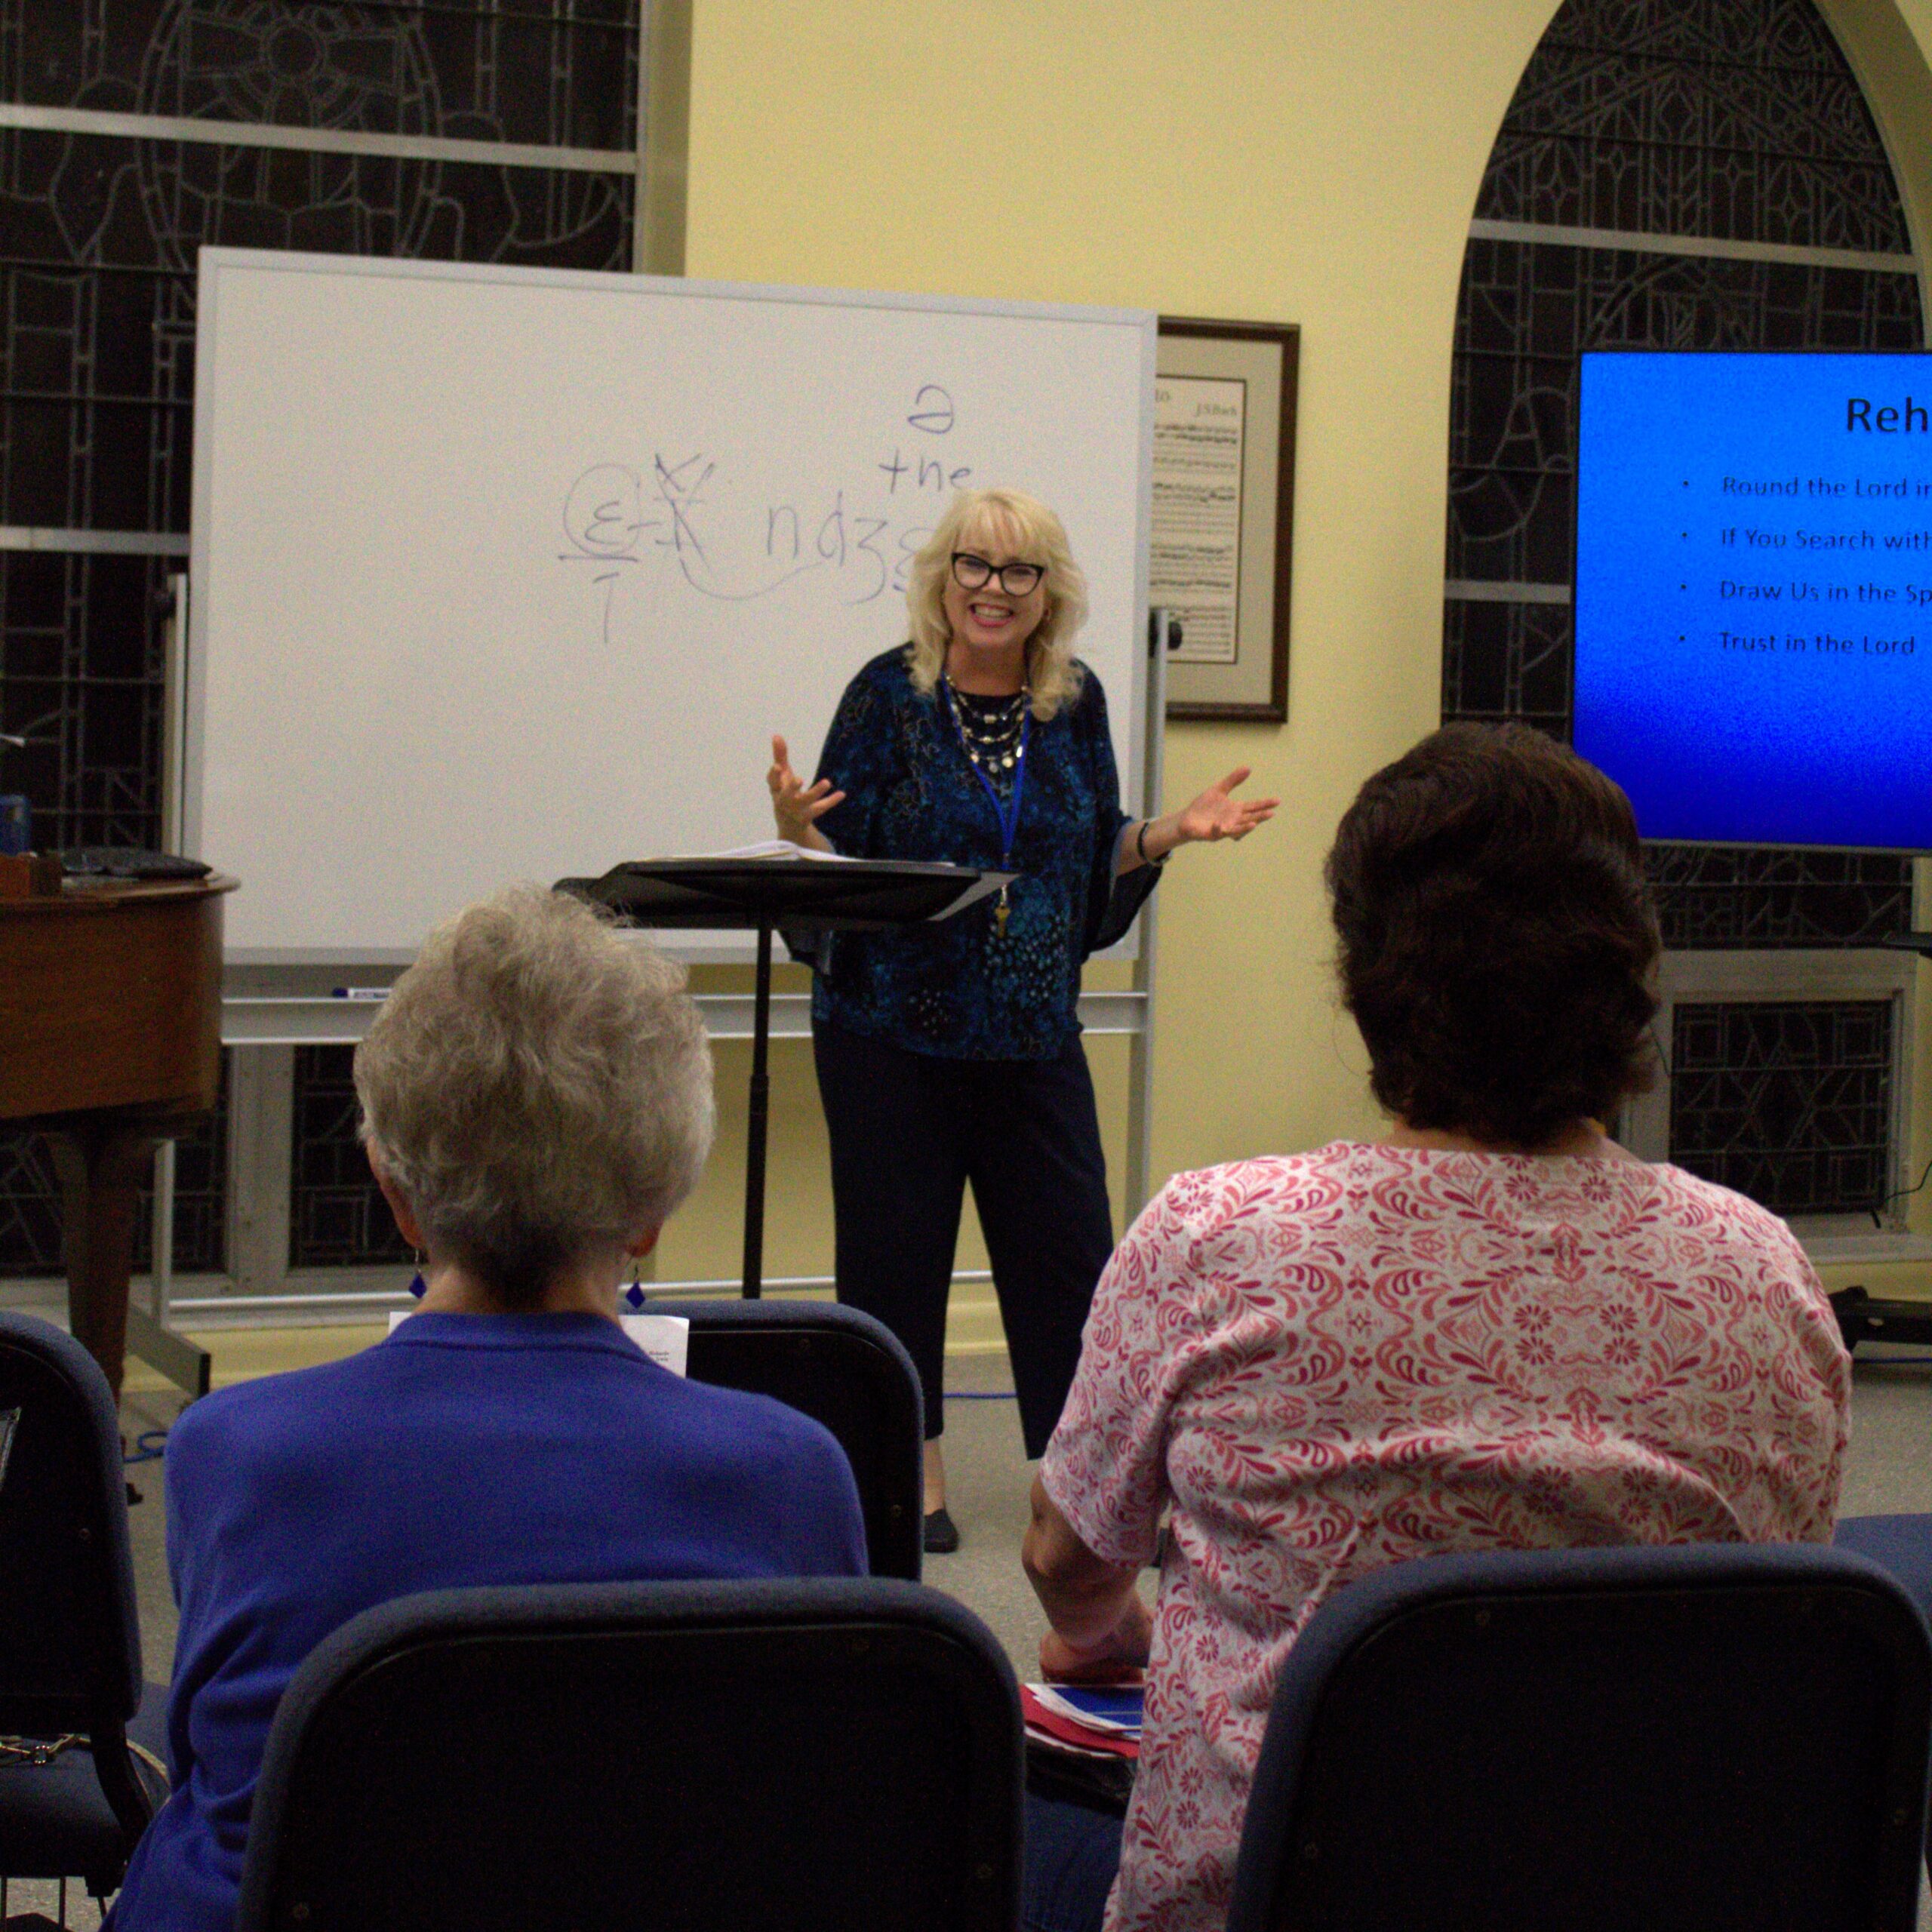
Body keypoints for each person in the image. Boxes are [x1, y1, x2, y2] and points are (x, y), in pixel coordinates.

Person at [1020, 723, 1850, 1932]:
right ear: (1629, 976)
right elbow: (1777, 1613)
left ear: (1366, 982)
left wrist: (1102, 1638)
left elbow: (1064, 1557)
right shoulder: (1765, 1271)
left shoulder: (1218, 1239)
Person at [110, 886, 867, 1932]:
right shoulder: (794, 1472)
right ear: (653, 1214)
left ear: (395, 1191)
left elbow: (215, 1761)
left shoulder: (235, 1453)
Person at [768, 486, 1276, 1552]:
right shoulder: (884, 697)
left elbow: (1093, 854)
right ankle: (914, 1467)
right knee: (896, 1254)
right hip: (890, 1031)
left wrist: (1167, 833)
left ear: (1049, 593)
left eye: (1019, 571)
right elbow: (838, 870)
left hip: (1032, 1030)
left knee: (1069, 1255)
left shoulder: (1074, 702)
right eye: (974, 565)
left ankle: (1079, 1476)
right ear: (941, 578)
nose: (993, 590)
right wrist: (793, 834)